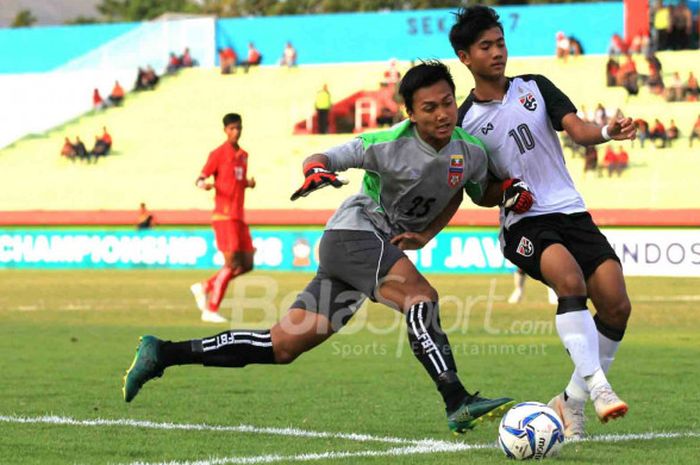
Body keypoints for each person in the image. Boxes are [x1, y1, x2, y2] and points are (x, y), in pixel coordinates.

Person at [122, 61, 534, 434]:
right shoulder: (387, 144)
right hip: (353, 235)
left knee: (282, 345)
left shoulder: (470, 151)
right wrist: (315, 170)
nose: (442, 114)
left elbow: (468, 191)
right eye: (429, 108)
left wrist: (491, 199)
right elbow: (325, 155)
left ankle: (163, 353)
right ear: (410, 113)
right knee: (421, 297)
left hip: (362, 248)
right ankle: (456, 399)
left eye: (447, 103)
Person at [449, 5, 636, 440]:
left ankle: (569, 401)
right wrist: (508, 191)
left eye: (500, 43)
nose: (497, 52)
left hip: (570, 210)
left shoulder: (535, 86)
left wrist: (608, 132)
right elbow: (480, 192)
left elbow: (576, 128)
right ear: (465, 57)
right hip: (523, 223)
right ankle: (598, 387)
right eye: (485, 46)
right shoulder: (464, 124)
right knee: (570, 282)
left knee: (616, 303)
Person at [189, 113, 256, 323]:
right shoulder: (218, 154)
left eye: (239, 128)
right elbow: (199, 178)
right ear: (225, 130)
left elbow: (235, 180)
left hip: (239, 216)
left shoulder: (244, 155)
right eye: (232, 128)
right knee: (231, 262)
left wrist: (247, 183)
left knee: (246, 264)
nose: (236, 132)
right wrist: (205, 185)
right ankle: (211, 309)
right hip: (224, 215)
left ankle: (205, 287)